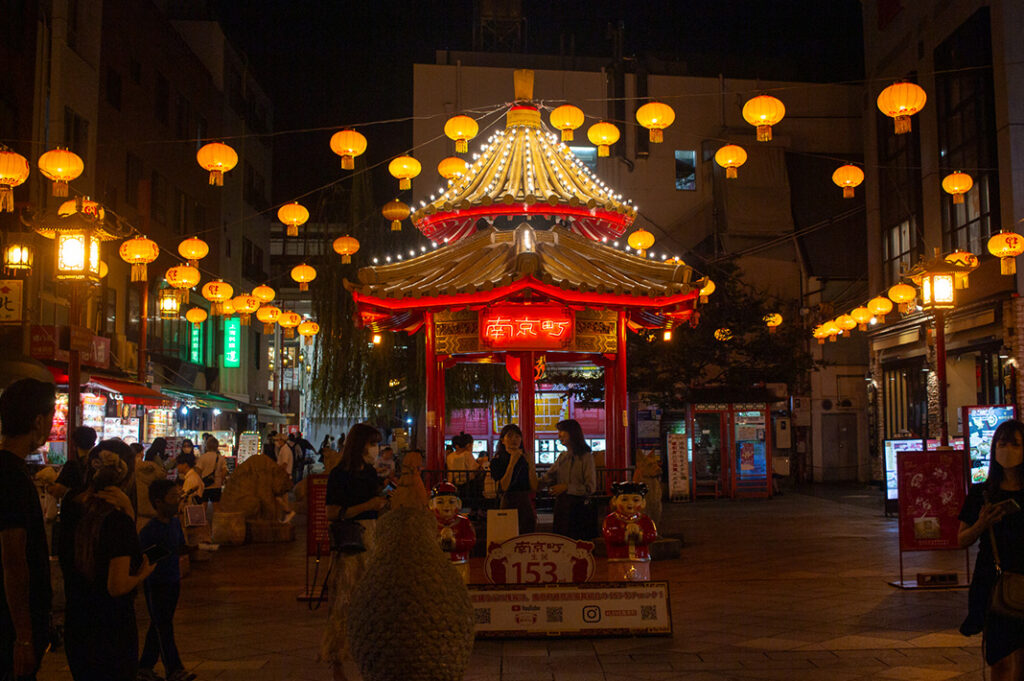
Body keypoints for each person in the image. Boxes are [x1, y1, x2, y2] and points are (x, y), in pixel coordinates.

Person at [63, 440, 155, 681]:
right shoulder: (117, 521)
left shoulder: (72, 508)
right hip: (112, 627)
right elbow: (117, 586)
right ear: (126, 475)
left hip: (76, 620)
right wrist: (144, 572)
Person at [321, 423, 388, 681]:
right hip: (351, 543)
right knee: (344, 603)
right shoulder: (340, 475)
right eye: (373, 444)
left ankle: (367, 657)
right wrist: (367, 505)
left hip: (373, 540)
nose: (376, 449)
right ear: (360, 445)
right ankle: (337, 660)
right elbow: (331, 512)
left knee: (371, 603)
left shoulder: (370, 472)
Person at [958, 419, 1024, 679]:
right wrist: (982, 523)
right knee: (1000, 660)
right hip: (994, 581)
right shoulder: (982, 493)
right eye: (1002, 443)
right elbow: (962, 539)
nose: (1007, 449)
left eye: (1016, 444)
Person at [0, 378, 56, 681]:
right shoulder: (13, 480)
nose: (50, 425)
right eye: (50, 417)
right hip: (10, 626)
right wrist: (23, 636)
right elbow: (14, 561)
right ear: (37, 421)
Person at [137, 479, 192, 681]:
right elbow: (142, 558)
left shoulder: (176, 523)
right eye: (172, 497)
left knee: (160, 624)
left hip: (173, 580)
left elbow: (180, 545)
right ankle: (174, 669)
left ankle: (144, 666)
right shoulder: (150, 530)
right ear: (158, 502)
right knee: (163, 627)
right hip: (156, 583)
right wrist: (165, 552)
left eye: (177, 496)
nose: (176, 501)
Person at [541, 419, 597, 539]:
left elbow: (590, 488)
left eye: (562, 432)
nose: (559, 435)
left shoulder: (586, 457)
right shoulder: (562, 457)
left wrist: (566, 487)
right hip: (562, 508)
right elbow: (548, 477)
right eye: (559, 432)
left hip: (578, 509)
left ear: (573, 433)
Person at [490, 424, 538, 534]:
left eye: (517, 436)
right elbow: (504, 487)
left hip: (525, 503)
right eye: (510, 436)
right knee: (508, 537)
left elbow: (534, 486)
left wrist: (531, 465)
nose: (514, 440)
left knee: (527, 537)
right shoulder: (496, 461)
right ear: (503, 440)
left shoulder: (526, 458)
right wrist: (512, 463)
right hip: (508, 502)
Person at [49, 425, 96, 502]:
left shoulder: (71, 465)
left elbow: (57, 492)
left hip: (72, 511)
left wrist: (48, 486)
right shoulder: (97, 465)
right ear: (93, 444)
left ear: (74, 445)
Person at [446, 432, 480, 503]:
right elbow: (473, 468)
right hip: (467, 485)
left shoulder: (450, 456)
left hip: (454, 483)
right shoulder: (467, 454)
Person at [196, 436, 228, 503]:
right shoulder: (221, 458)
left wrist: (201, 480)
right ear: (217, 446)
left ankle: (204, 514)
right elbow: (224, 471)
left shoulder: (202, 457)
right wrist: (222, 480)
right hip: (217, 485)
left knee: (204, 505)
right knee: (216, 506)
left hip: (205, 485)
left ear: (207, 446)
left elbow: (198, 470)